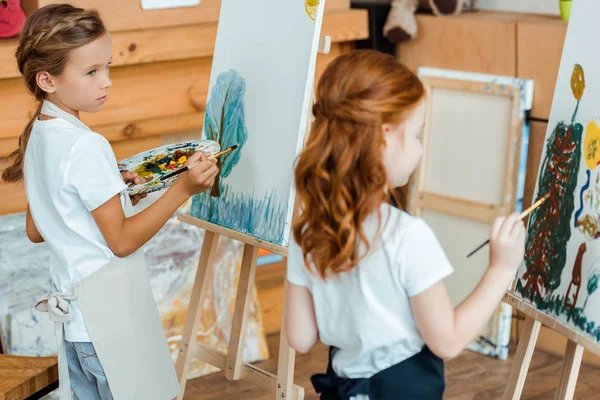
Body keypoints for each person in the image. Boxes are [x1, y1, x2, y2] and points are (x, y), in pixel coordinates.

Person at [2, 4, 219, 399]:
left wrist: (121, 193)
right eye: (91, 72)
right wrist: (182, 189)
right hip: (110, 325)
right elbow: (121, 241)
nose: (107, 82)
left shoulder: (38, 134)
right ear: (47, 80)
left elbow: (39, 229)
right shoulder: (86, 145)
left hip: (78, 330)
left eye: (108, 66)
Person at [284, 49, 526, 399]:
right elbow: (447, 340)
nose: (420, 149)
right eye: (416, 135)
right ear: (385, 137)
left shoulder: (306, 233)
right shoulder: (406, 236)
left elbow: (301, 337)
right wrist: (502, 269)